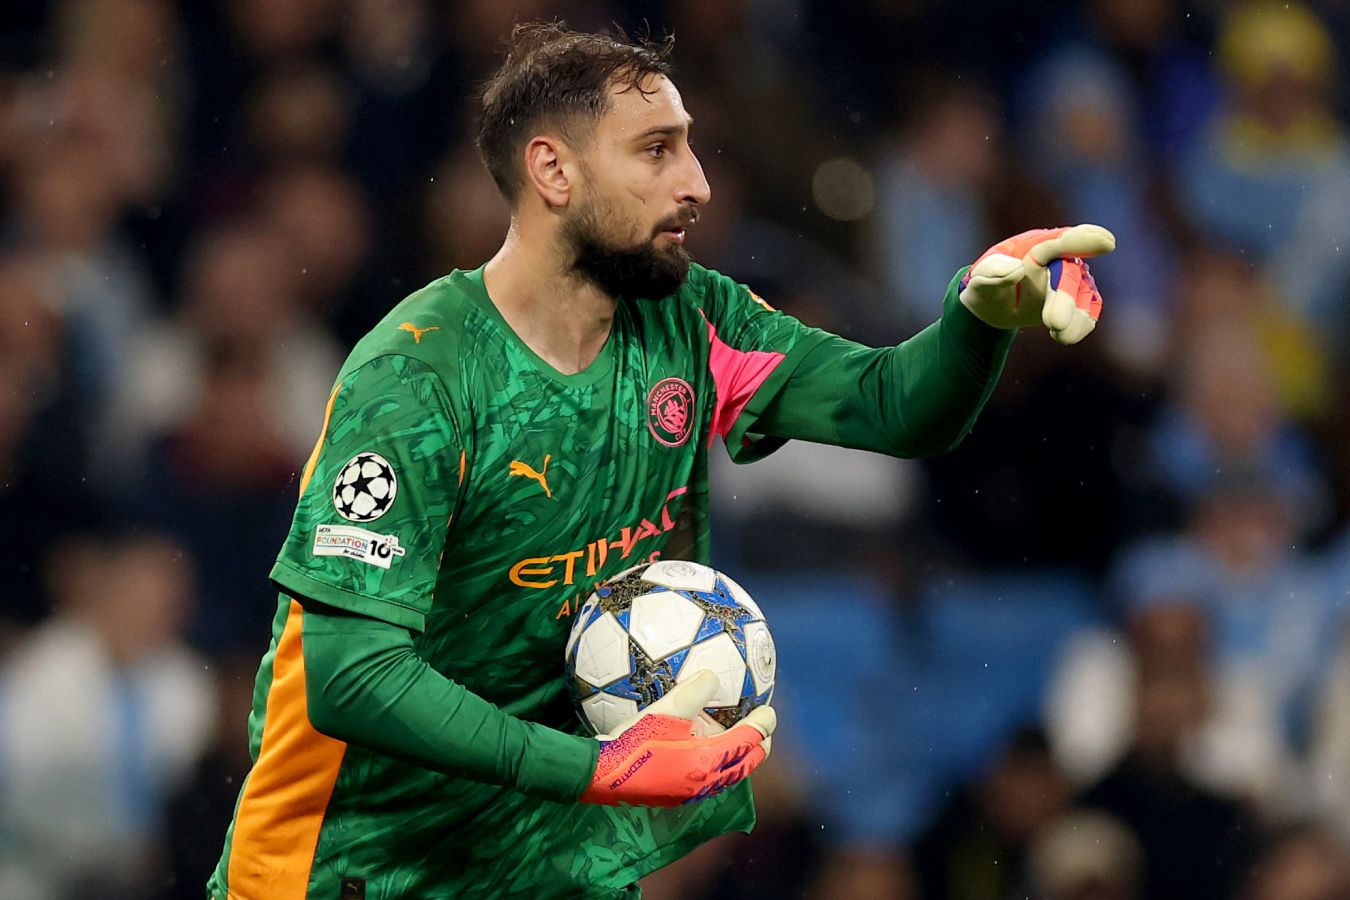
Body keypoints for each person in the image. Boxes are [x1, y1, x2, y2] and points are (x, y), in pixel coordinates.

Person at [207, 23, 1113, 900]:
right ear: (553, 171)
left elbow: (891, 405)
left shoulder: (691, 320)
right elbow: (351, 677)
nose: (698, 184)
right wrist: (597, 769)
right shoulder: (417, 375)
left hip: (550, 868)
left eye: (690, 148)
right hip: (347, 870)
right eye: (656, 151)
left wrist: (976, 318)